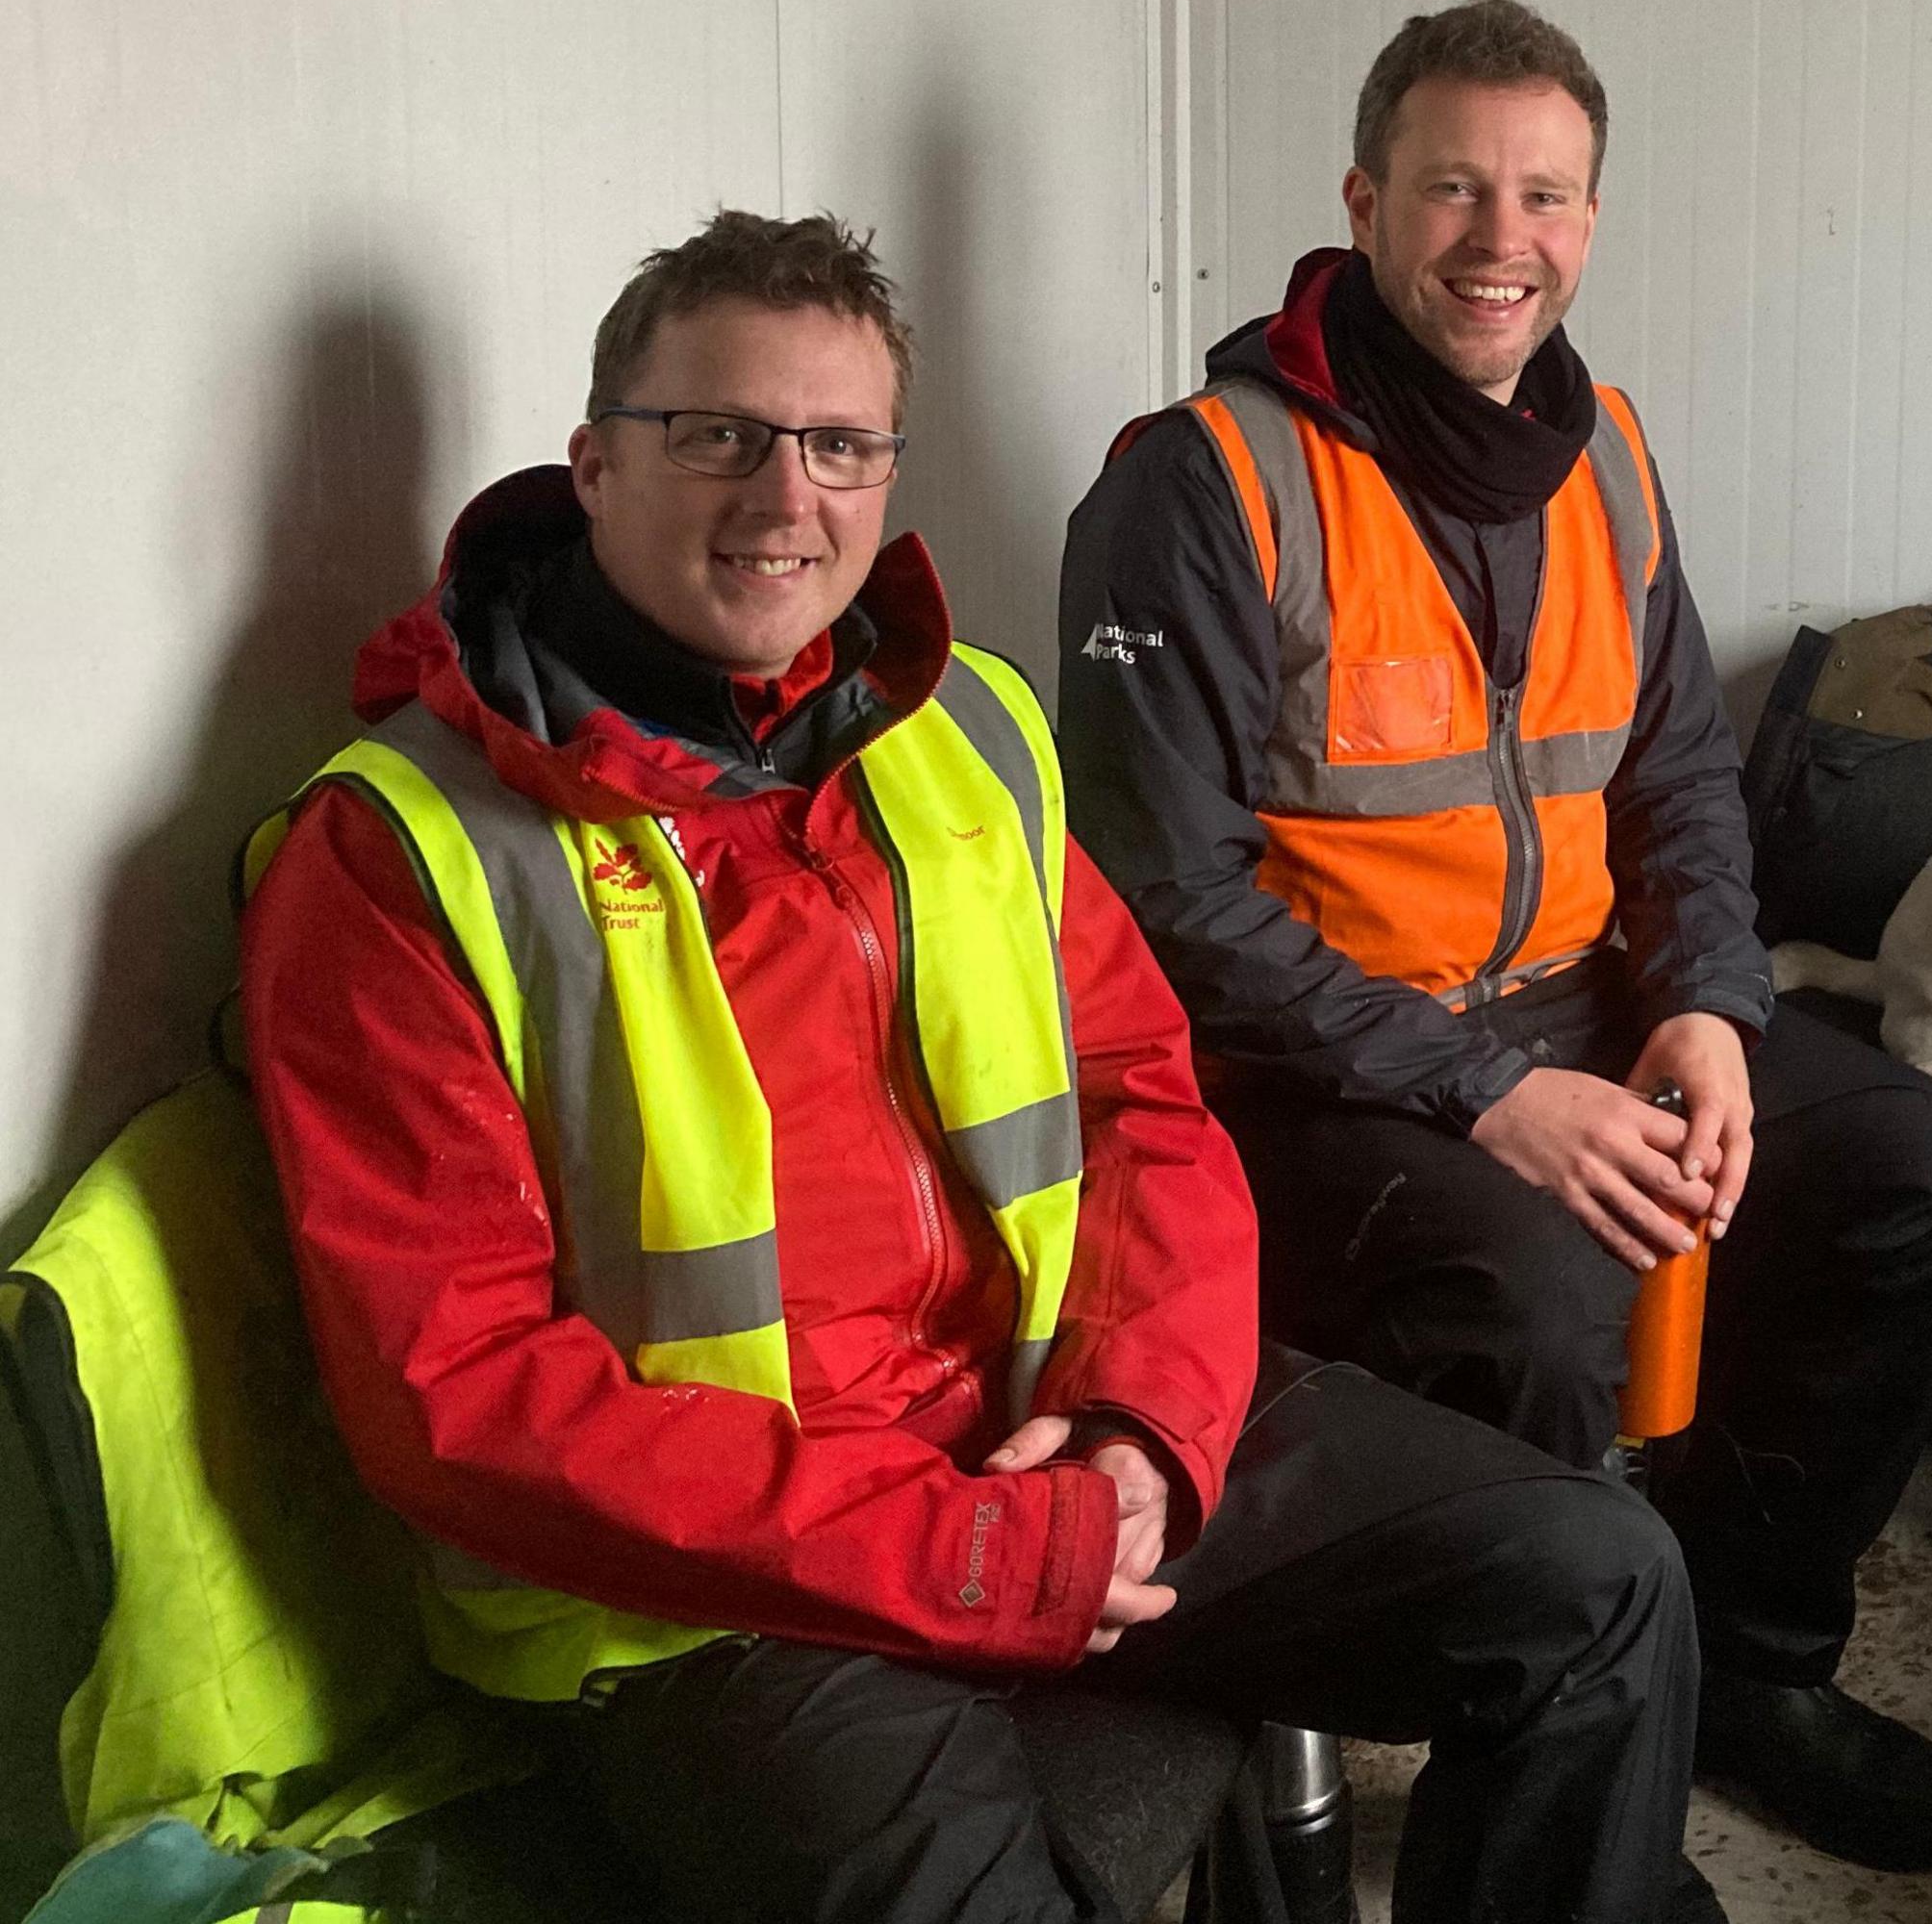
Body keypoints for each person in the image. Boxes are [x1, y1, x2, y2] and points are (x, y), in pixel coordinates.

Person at [239, 210, 1723, 1924]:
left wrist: (1144, 1431)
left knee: (1601, 1583)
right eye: (718, 433)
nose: (787, 495)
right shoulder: (397, 857)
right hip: (700, 1601)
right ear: (592, 464)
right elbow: (463, 1393)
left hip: (1049, 1428)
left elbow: (1142, 1101)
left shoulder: (971, 736)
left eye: (842, 443)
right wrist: (959, 1553)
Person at [1059, 0, 1932, 1876]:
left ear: (1592, 220)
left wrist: (1716, 1014)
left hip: (1584, 1011)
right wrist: (1491, 1092)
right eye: (1453, 188)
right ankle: (1561, 1818)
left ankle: (1742, 1662)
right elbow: (1162, 907)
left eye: (1549, 196)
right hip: (1317, 1077)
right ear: (1362, 200)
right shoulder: (1203, 481)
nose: (1503, 238)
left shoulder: (1616, 456)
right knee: (1546, 1304)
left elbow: (1680, 790)